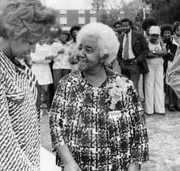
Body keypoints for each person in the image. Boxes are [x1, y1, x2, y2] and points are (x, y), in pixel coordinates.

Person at [0, 0, 60, 170]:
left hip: (27, 161)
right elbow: (1, 140)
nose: (33, 49)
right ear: (14, 33)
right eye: (30, 42)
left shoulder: (15, 62)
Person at [50, 22, 149, 171]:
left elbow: (139, 128)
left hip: (117, 166)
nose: (80, 54)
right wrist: (68, 162)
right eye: (80, 47)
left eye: (88, 50)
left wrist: (134, 166)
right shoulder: (67, 84)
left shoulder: (124, 85)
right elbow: (55, 125)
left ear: (104, 56)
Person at [117, 18, 149, 92]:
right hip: (124, 64)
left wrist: (137, 60)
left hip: (134, 64)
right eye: (123, 26)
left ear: (130, 26)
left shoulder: (138, 35)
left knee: (133, 88)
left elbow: (146, 49)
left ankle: (135, 103)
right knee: (124, 87)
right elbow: (118, 51)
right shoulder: (120, 37)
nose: (124, 28)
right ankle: (127, 103)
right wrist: (120, 62)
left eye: (126, 26)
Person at [144, 26, 167, 115]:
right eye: (153, 35)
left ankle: (160, 109)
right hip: (150, 65)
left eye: (156, 35)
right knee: (149, 86)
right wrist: (158, 53)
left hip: (159, 66)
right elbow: (147, 54)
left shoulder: (160, 42)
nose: (155, 37)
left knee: (159, 85)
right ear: (150, 35)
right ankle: (149, 109)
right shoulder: (146, 42)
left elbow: (164, 53)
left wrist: (153, 52)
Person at [31, 38, 54, 110]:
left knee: (46, 90)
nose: (42, 40)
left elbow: (49, 60)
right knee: (36, 90)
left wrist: (41, 59)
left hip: (45, 70)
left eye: (44, 39)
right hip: (36, 70)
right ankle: (37, 108)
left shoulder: (49, 47)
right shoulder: (33, 46)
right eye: (40, 38)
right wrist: (45, 57)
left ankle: (48, 108)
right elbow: (33, 58)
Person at [161, 24, 179, 111]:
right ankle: (172, 103)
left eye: (168, 33)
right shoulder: (170, 41)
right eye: (178, 30)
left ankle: (178, 104)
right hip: (170, 64)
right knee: (170, 83)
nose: (167, 35)